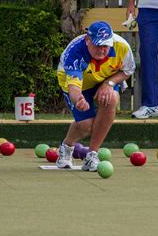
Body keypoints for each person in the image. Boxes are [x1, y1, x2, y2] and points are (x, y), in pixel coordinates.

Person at [56, 21, 135, 171]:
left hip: (105, 78)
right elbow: (74, 87)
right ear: (87, 40)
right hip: (80, 85)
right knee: (86, 126)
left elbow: (127, 71)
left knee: (111, 98)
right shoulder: (74, 53)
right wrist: (79, 99)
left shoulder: (121, 47)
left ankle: (92, 155)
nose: (102, 49)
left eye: (106, 45)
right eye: (98, 45)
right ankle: (66, 146)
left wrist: (109, 84)